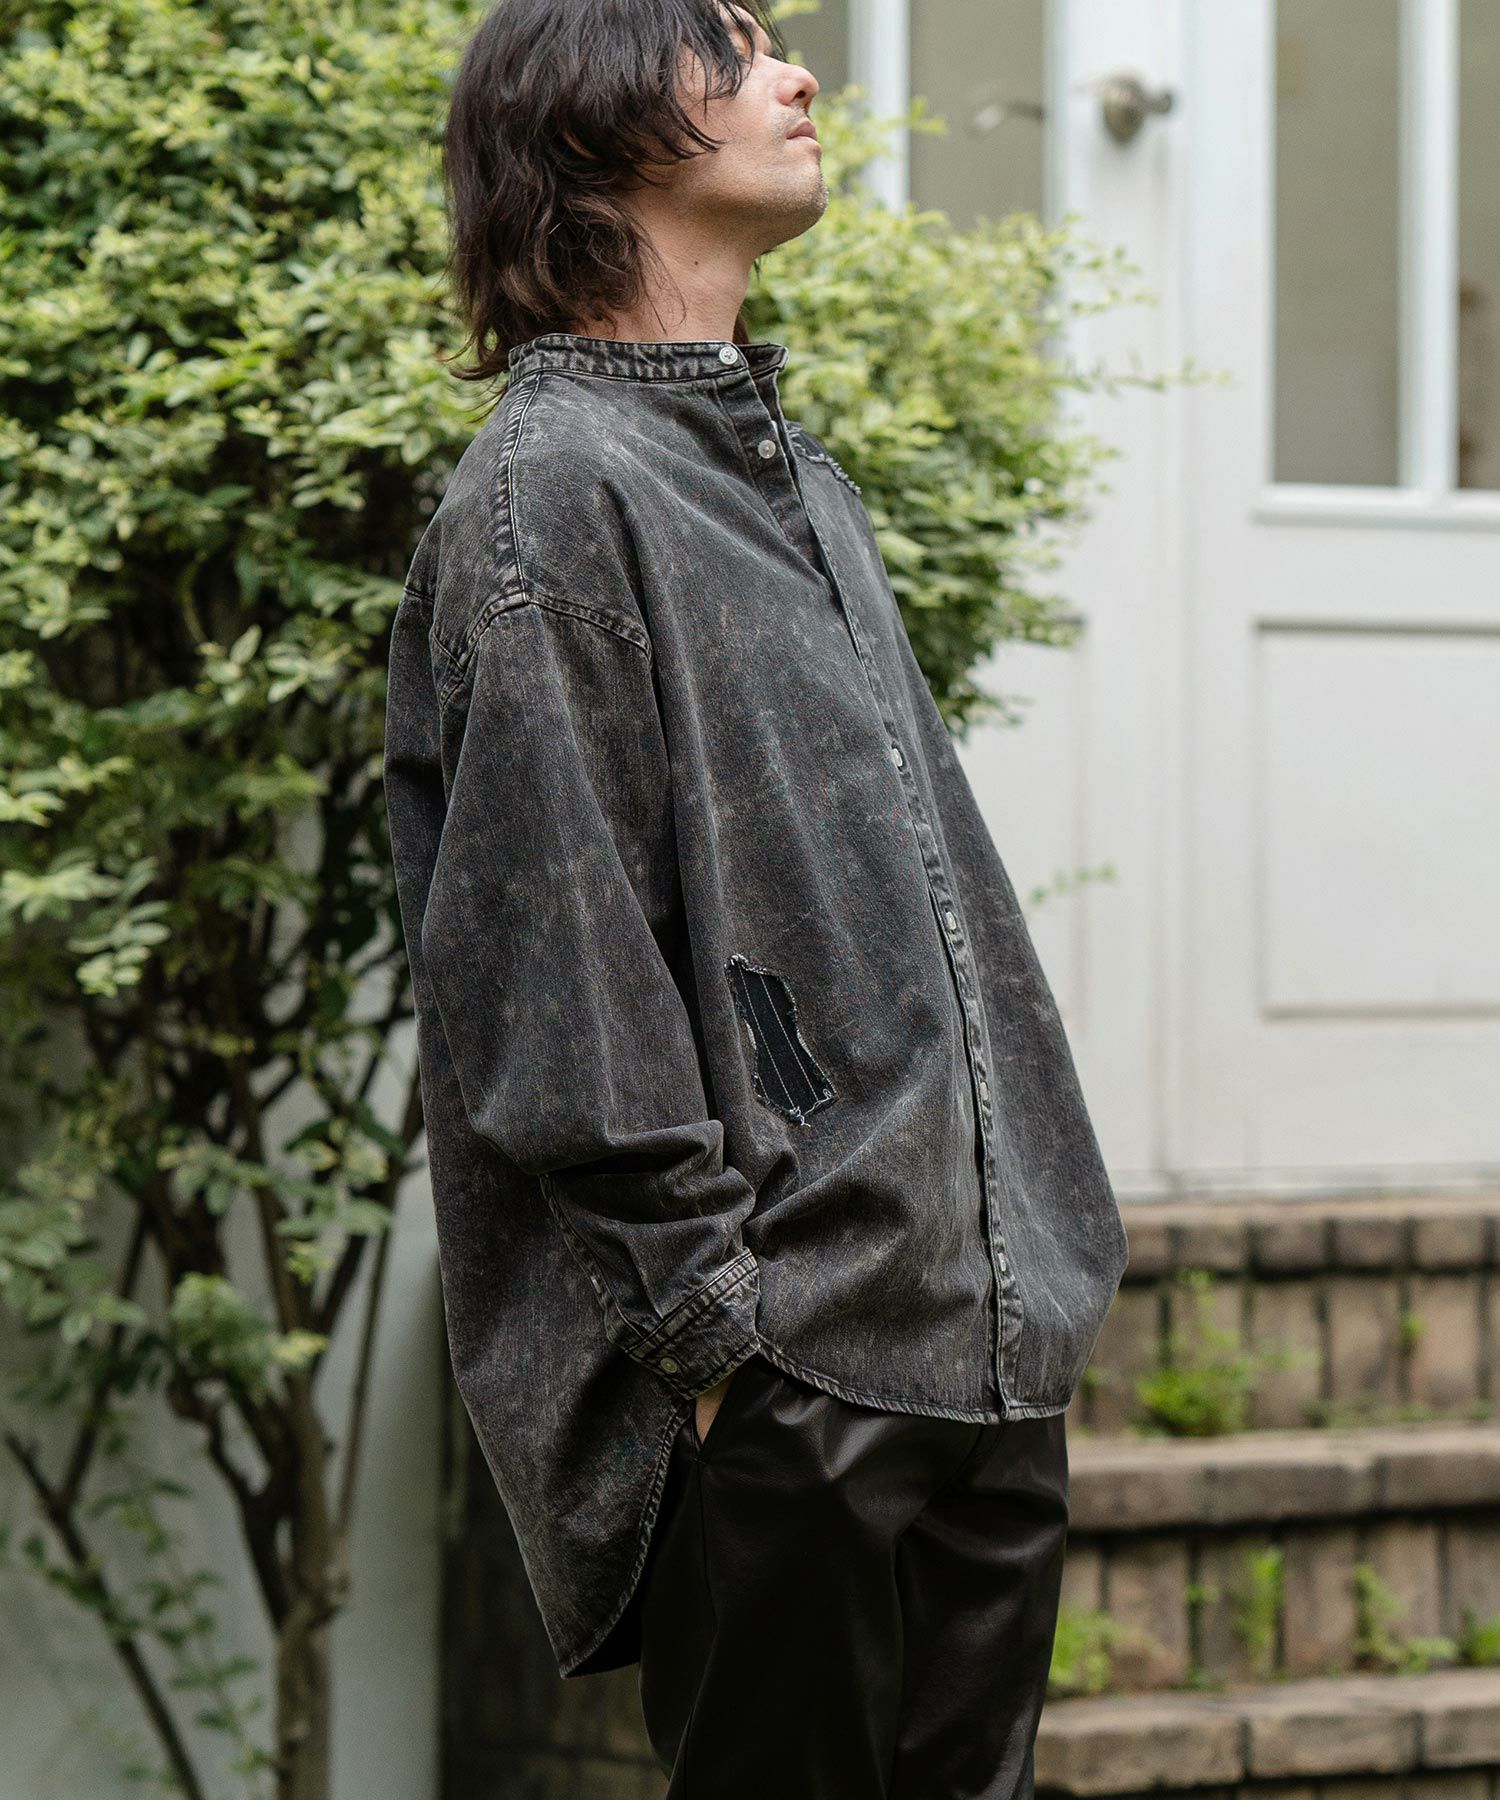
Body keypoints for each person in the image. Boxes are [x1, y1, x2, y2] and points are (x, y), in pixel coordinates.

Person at [382, 0, 1131, 1792]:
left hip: (975, 1348)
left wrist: (1032, 1250)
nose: (797, 77)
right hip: (788, 1375)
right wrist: (722, 1349)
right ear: (593, 128)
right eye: (730, 54)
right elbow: (554, 979)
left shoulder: (801, 484)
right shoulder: (551, 501)